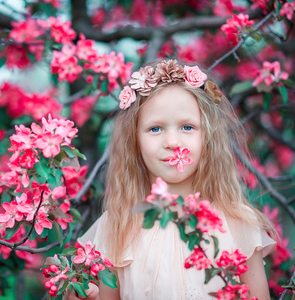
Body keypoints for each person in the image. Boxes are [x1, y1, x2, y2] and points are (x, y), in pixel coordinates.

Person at [65, 59, 277, 300]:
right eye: (155, 129)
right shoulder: (117, 225)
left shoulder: (238, 221)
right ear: (135, 141)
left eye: (187, 127)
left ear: (207, 136)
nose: (173, 142)